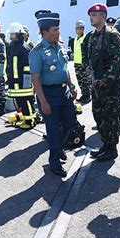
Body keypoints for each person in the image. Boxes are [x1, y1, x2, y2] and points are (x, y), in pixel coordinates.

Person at [29, 11, 78, 177]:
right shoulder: (37, 51)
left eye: (58, 30)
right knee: (53, 130)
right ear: (44, 32)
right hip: (48, 94)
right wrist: (42, 102)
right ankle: (54, 161)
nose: (58, 33)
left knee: (70, 123)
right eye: (54, 30)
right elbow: (35, 79)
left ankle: (59, 148)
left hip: (64, 92)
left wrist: (71, 86)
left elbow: (65, 69)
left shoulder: (60, 47)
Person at [84, 3, 120, 162]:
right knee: (98, 114)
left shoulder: (112, 34)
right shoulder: (92, 36)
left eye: (94, 14)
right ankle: (105, 144)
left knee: (110, 116)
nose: (91, 18)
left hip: (109, 84)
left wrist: (106, 79)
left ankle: (112, 148)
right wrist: (87, 66)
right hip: (96, 82)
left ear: (103, 16)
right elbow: (87, 53)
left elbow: (117, 60)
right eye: (90, 15)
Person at [6, 22, 36, 129]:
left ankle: (30, 121)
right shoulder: (14, 46)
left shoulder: (24, 47)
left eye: (12, 34)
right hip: (16, 81)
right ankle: (25, 118)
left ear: (18, 34)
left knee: (26, 101)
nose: (10, 36)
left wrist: (26, 82)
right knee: (20, 101)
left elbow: (28, 67)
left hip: (22, 82)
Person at [73, 20, 91, 104]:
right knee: (80, 80)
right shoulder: (76, 38)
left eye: (79, 29)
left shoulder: (86, 38)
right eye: (77, 29)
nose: (78, 30)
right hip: (77, 63)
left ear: (83, 29)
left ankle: (87, 95)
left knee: (85, 80)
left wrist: (87, 63)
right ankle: (84, 94)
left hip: (83, 63)